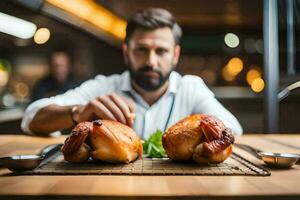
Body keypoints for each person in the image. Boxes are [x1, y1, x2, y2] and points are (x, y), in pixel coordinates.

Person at [21, 8, 242, 138]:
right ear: (127, 52)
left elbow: (233, 129)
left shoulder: (190, 88)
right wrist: (78, 112)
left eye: (161, 51)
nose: (151, 61)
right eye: (142, 50)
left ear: (175, 55)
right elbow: (31, 117)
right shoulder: (104, 87)